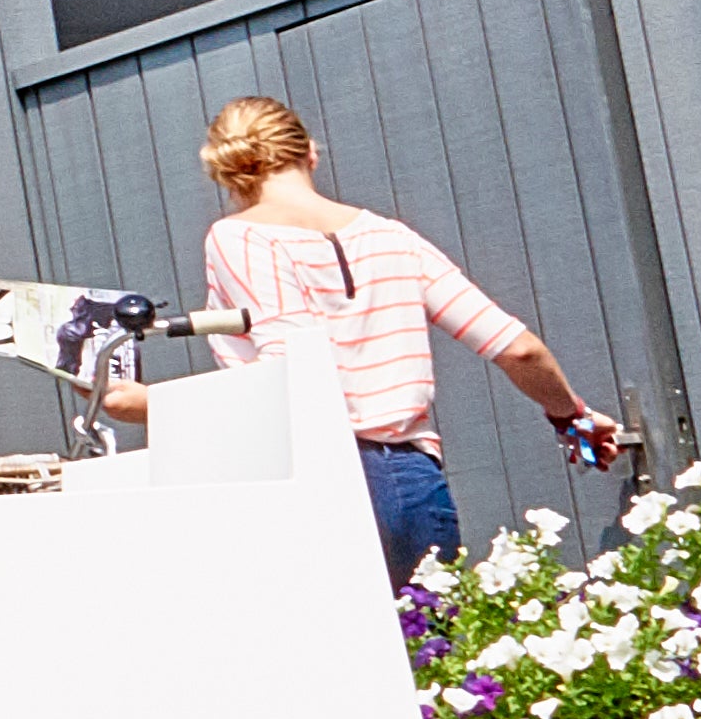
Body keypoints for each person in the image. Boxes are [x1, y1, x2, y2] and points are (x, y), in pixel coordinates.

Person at [112, 93, 639, 577]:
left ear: (229, 174)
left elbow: (293, 377)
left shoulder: (238, 237)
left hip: (320, 477)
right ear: (311, 154)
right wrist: (571, 417)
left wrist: (152, 406)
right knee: (436, 663)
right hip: (413, 482)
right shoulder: (392, 237)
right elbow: (517, 347)